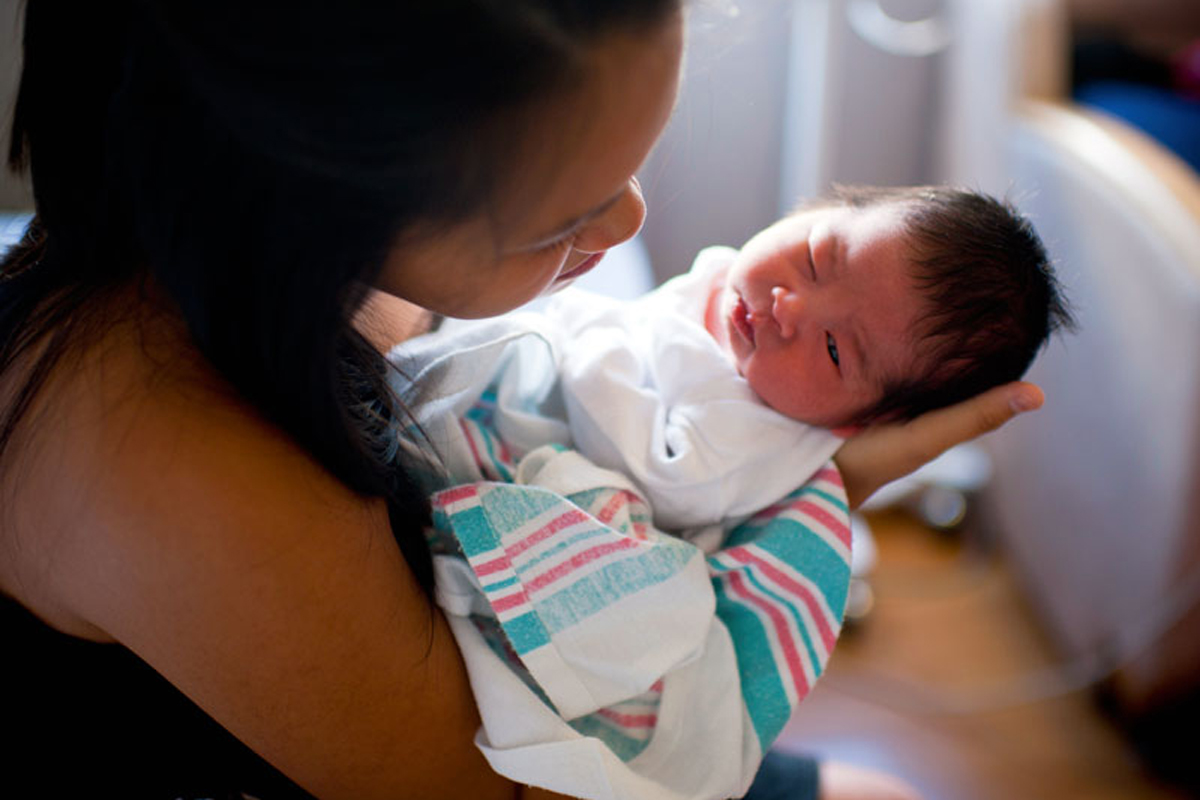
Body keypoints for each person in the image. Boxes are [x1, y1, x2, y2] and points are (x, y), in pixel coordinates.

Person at [0, 2, 1044, 799]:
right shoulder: (166, 457)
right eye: (566, 217)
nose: (633, 223)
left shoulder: (277, 258)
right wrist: (813, 508)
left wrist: (803, 471)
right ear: (330, 200)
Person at [395, 185, 1071, 541]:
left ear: (862, 425)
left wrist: (584, 338)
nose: (789, 307)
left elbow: (666, 478)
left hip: (524, 447)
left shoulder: (750, 440)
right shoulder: (732, 291)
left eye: (836, 350)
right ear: (817, 209)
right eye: (814, 258)